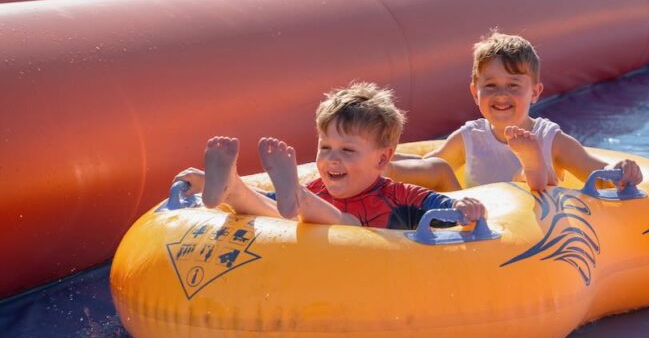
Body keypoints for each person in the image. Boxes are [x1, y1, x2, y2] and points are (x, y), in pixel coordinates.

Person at [174, 82, 485, 228]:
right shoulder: (319, 188)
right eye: (325, 148)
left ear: (381, 159)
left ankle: (294, 198)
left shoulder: (399, 195)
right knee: (272, 206)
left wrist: (462, 204)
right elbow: (271, 201)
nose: (332, 159)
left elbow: (440, 204)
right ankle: (232, 187)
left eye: (348, 151)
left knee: (345, 223)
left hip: (372, 257)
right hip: (313, 239)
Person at [410, 32, 643, 192]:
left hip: (533, 235)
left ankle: (533, 170)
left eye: (513, 85)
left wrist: (619, 170)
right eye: (490, 86)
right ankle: (532, 172)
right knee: (437, 170)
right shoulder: (468, 138)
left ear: (534, 92)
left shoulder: (550, 139)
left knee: (525, 183)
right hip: (482, 233)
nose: (501, 94)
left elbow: (596, 174)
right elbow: (427, 170)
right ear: (475, 92)